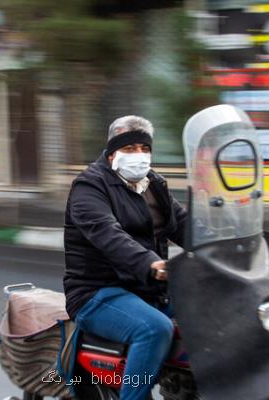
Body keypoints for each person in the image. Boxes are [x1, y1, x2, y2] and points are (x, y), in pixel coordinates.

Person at [63, 115, 187, 399]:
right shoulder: (89, 187)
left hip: (147, 290)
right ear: (111, 152)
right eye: (130, 149)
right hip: (97, 291)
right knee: (154, 329)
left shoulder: (154, 185)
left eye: (144, 149)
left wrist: (230, 244)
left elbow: (187, 226)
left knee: (208, 314)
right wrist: (151, 263)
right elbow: (109, 235)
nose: (139, 156)